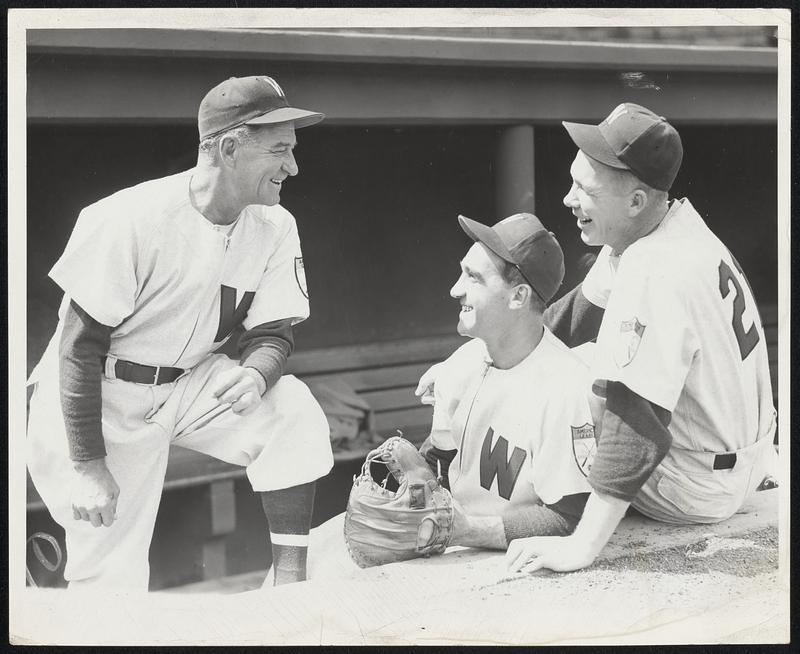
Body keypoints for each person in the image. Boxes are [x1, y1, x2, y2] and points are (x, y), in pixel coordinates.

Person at [26, 75, 334, 590]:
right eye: (279, 149)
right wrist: (87, 466)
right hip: (97, 398)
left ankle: (290, 586)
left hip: (188, 384)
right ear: (229, 148)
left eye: (293, 150)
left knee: (292, 408)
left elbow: (275, 331)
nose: (293, 166)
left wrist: (258, 373)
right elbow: (77, 350)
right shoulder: (130, 217)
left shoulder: (276, 225)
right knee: (109, 585)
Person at [496, 103, 777, 573]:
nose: (568, 199)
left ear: (635, 201)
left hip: (695, 488)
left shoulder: (655, 267)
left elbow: (636, 422)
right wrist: (472, 363)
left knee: (565, 387)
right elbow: (572, 319)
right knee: (562, 361)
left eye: (584, 190)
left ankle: (521, 523)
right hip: (741, 462)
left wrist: (583, 547)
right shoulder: (668, 223)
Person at [307, 212, 599, 577]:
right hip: (450, 535)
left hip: (500, 556)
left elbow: (572, 517)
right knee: (311, 551)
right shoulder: (466, 360)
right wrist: (407, 482)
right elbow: (437, 463)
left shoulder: (563, 388)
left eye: (473, 277)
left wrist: (465, 530)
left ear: (518, 296)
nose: (455, 289)